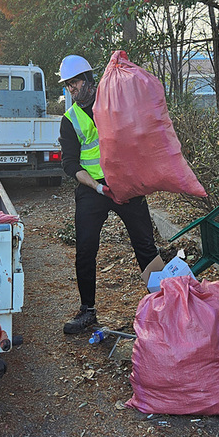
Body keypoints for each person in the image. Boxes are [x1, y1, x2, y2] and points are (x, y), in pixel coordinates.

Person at [58, 54, 159, 334]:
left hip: (126, 184)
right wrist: (99, 187)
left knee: (145, 246)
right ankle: (87, 310)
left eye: (75, 83)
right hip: (93, 189)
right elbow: (70, 164)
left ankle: (167, 302)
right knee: (85, 250)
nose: (71, 90)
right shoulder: (70, 120)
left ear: (90, 81)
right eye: (67, 86)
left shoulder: (114, 103)